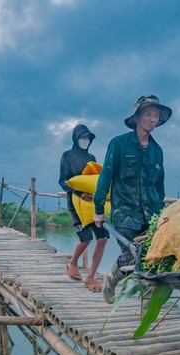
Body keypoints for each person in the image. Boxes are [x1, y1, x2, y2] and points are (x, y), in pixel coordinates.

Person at [93, 94, 172, 303]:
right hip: (125, 214)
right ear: (137, 117)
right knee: (130, 257)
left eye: (156, 115)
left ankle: (146, 308)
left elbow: (159, 185)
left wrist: (162, 214)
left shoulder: (157, 151)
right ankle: (110, 279)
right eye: (148, 114)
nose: (152, 119)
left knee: (150, 260)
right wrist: (98, 209)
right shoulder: (119, 144)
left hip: (151, 214)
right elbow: (105, 177)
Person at [59, 123, 109, 292]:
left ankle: (90, 278)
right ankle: (72, 263)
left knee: (102, 238)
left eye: (88, 138)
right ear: (75, 138)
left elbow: (96, 180)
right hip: (75, 203)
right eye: (82, 138)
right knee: (85, 238)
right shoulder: (66, 156)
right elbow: (62, 181)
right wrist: (79, 194)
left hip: (93, 205)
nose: (85, 141)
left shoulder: (92, 158)